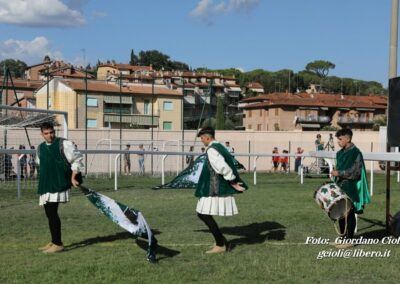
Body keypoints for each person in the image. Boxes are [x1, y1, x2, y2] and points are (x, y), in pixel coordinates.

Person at [195, 127, 248, 254]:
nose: (201, 141)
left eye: (202, 138)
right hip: (215, 186)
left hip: (214, 187)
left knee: (203, 214)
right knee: (203, 214)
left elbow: (222, 167)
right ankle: (221, 241)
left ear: (207, 137)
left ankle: (220, 244)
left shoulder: (212, 150)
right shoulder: (220, 146)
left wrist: (232, 181)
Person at [36, 122, 84, 253]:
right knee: (49, 214)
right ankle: (53, 241)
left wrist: (73, 177)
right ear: (42, 134)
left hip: (57, 183)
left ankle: (58, 243)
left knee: (52, 213)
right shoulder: (40, 148)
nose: (49, 135)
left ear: (54, 132)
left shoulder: (63, 144)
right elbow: (40, 163)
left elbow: (77, 159)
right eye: (46, 133)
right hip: (46, 184)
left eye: (51, 132)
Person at [331, 128, 370, 246]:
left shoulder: (356, 153)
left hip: (351, 186)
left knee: (349, 213)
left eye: (340, 139)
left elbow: (356, 172)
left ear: (348, 139)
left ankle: (350, 240)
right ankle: (343, 238)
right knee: (340, 213)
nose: (338, 142)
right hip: (340, 186)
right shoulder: (339, 153)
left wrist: (340, 173)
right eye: (337, 139)